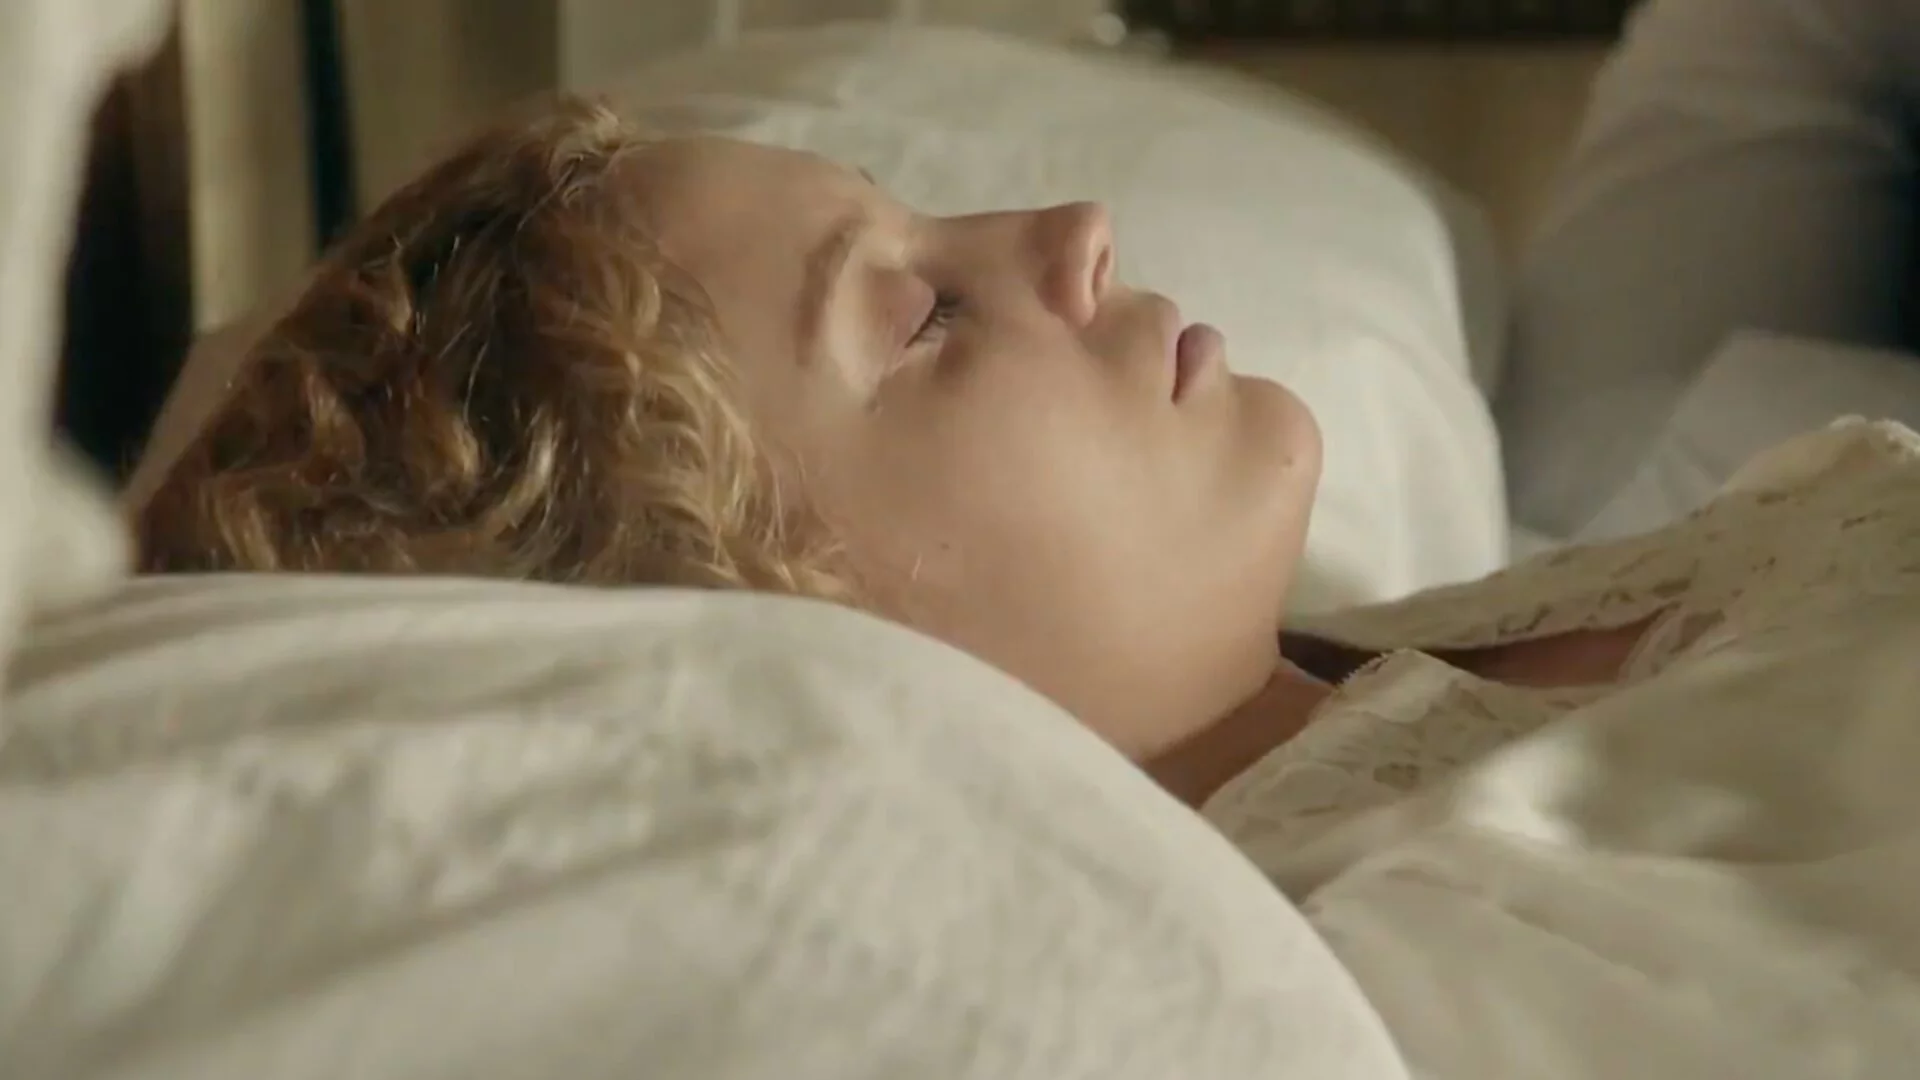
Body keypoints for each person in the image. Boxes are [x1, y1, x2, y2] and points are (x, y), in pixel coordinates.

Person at [130, 88, 1920, 829]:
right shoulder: (1442, 933)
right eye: (918, 317)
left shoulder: (1361, 676)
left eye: (930, 224)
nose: (1072, 230)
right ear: (797, 644)